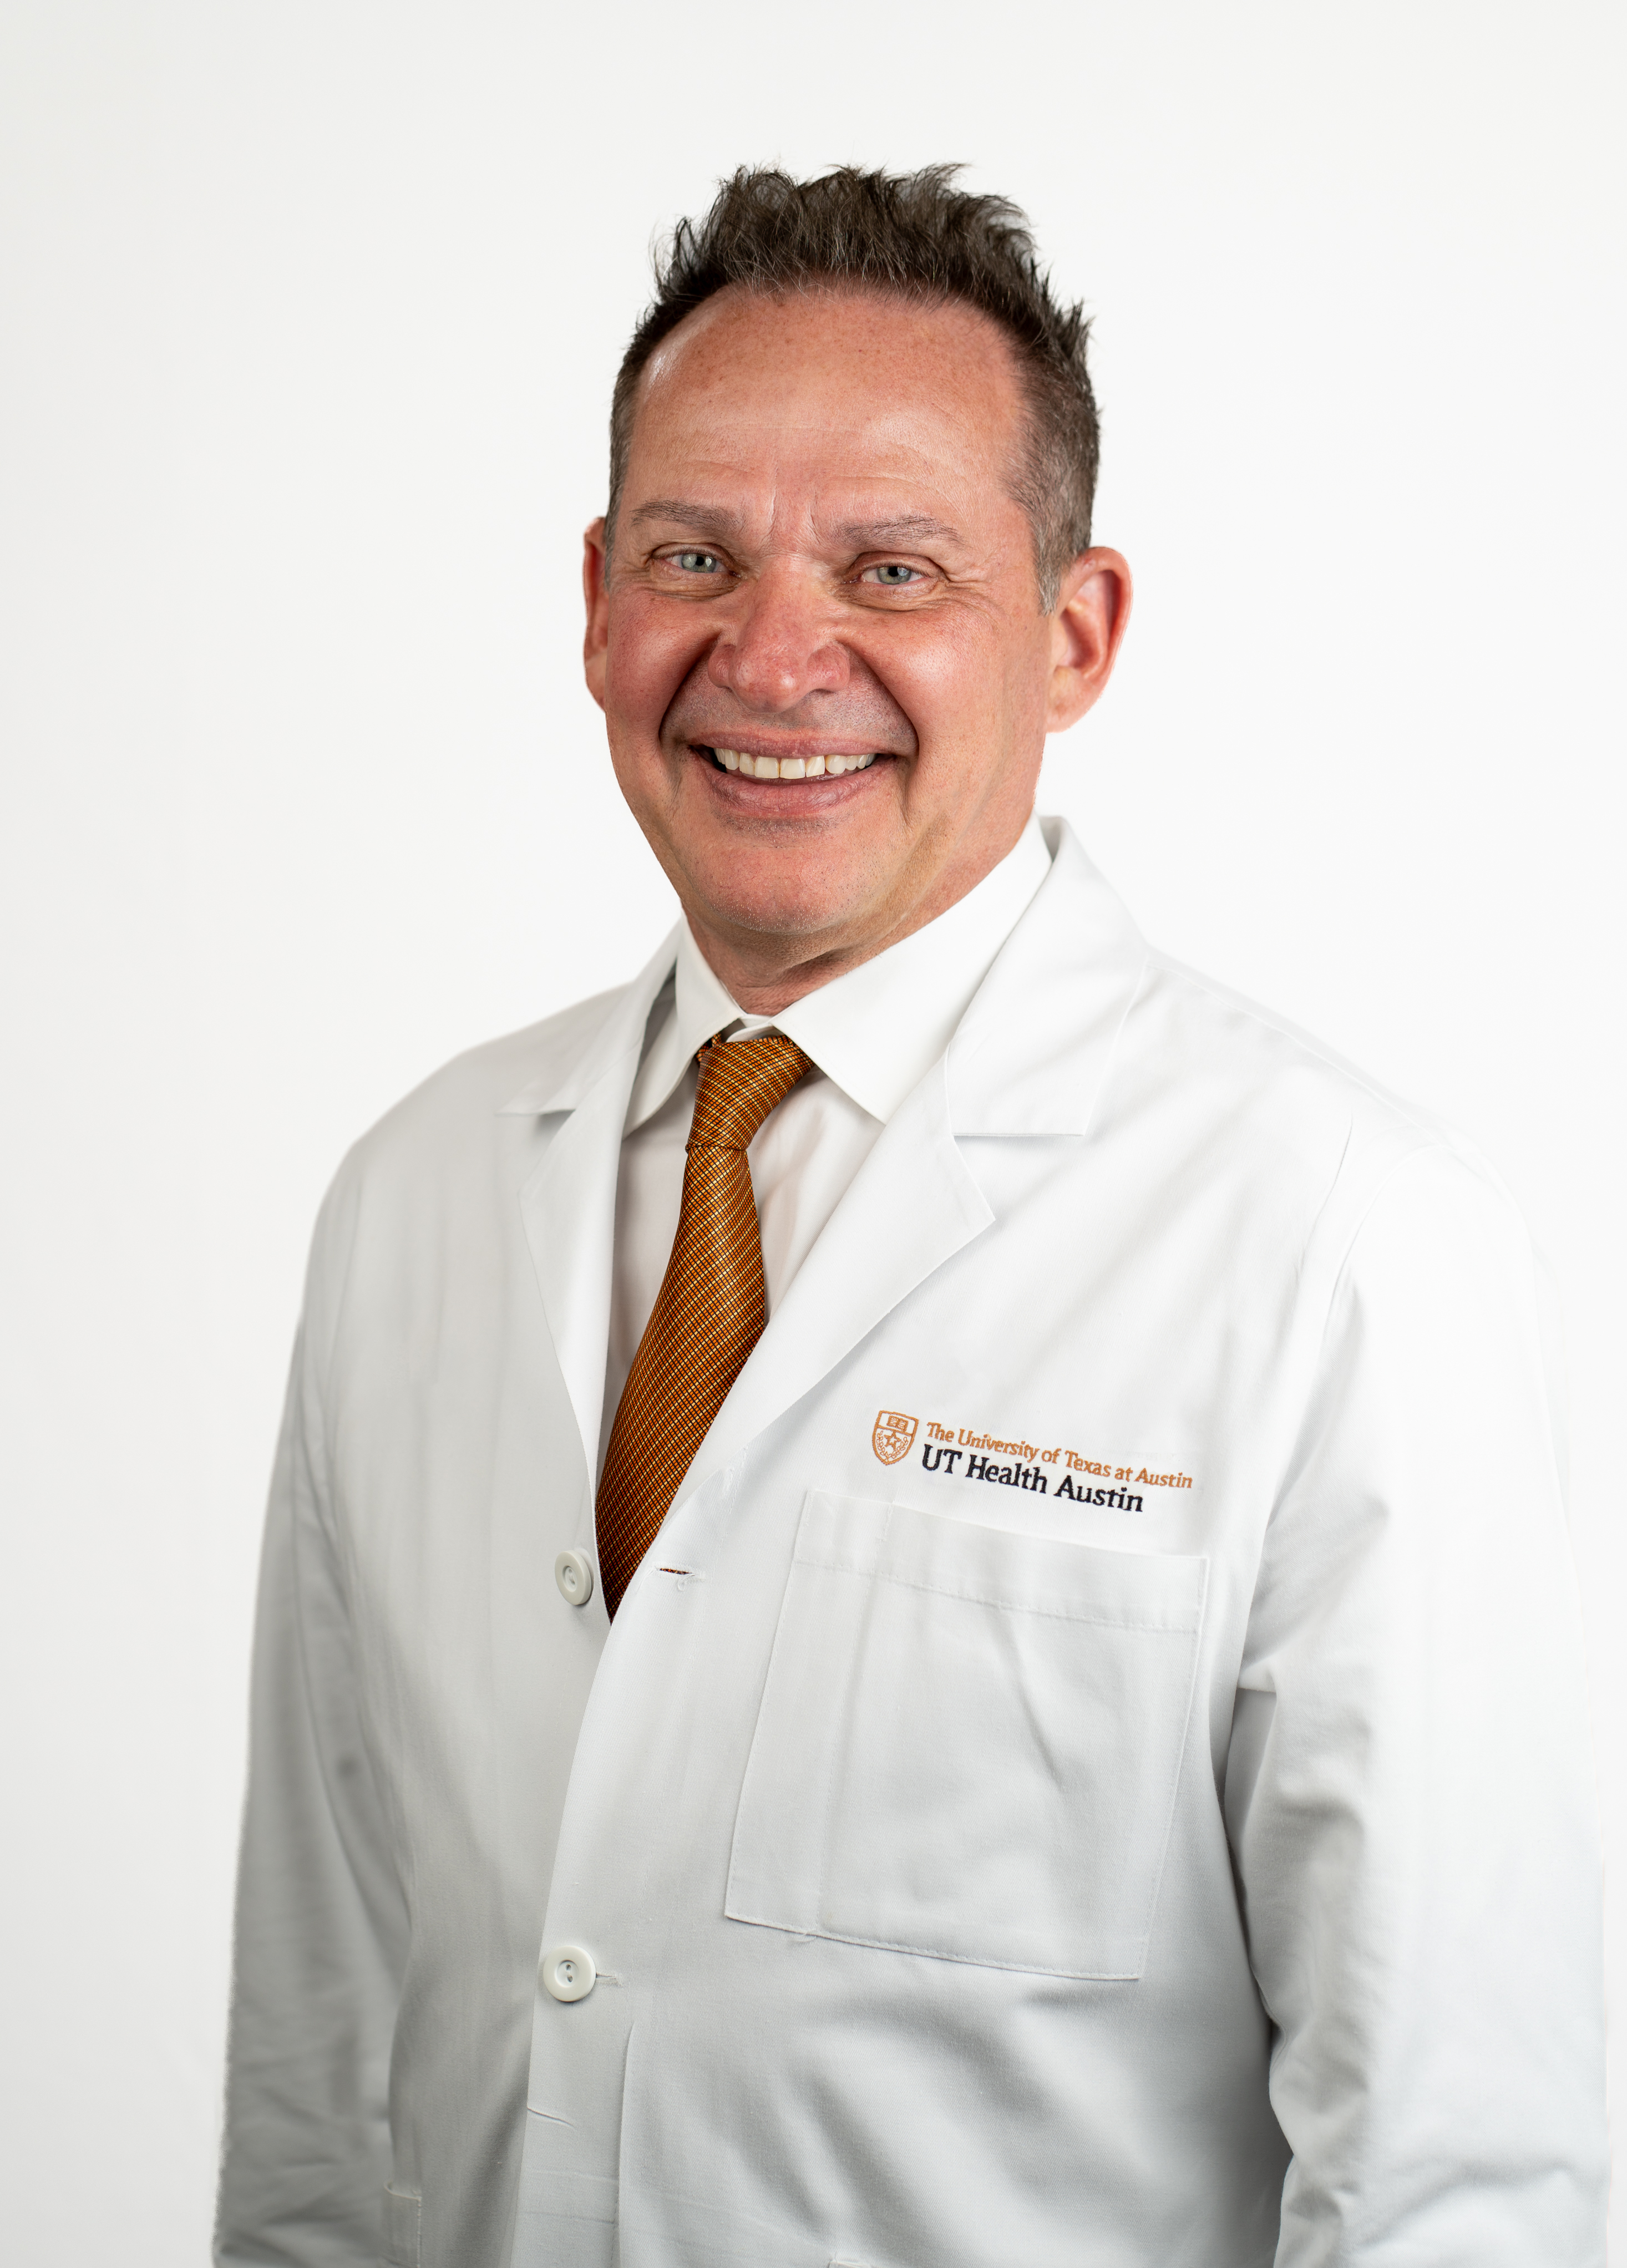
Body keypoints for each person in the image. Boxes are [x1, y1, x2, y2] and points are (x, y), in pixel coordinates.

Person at [215, 166, 1607, 2268]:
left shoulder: (1340, 1240)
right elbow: (318, 2097)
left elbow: (1457, 2183)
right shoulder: (412, 1197)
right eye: (696, 553)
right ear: (598, 599)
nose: (777, 653)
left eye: (894, 565)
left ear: (1074, 633)